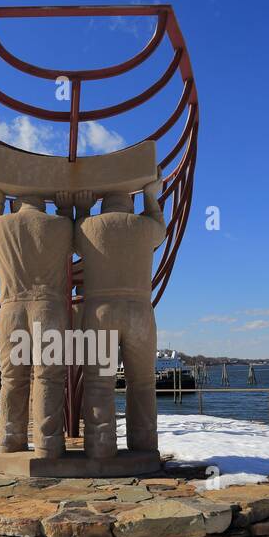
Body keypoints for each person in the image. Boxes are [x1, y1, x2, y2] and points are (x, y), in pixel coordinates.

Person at [0, 176, 73, 457]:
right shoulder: (61, 226)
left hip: (11, 311)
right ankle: (48, 444)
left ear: (14, 201)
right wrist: (67, 208)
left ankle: (10, 441)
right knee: (49, 378)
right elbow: (81, 240)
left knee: (12, 379)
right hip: (49, 309)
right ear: (44, 202)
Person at [73, 181, 164, 458]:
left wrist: (83, 206)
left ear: (103, 203)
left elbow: (73, 238)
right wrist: (151, 196)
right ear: (130, 203)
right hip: (139, 310)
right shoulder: (146, 227)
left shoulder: (89, 227)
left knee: (99, 383)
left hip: (101, 309)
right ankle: (144, 443)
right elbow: (160, 227)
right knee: (143, 383)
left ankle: (100, 445)